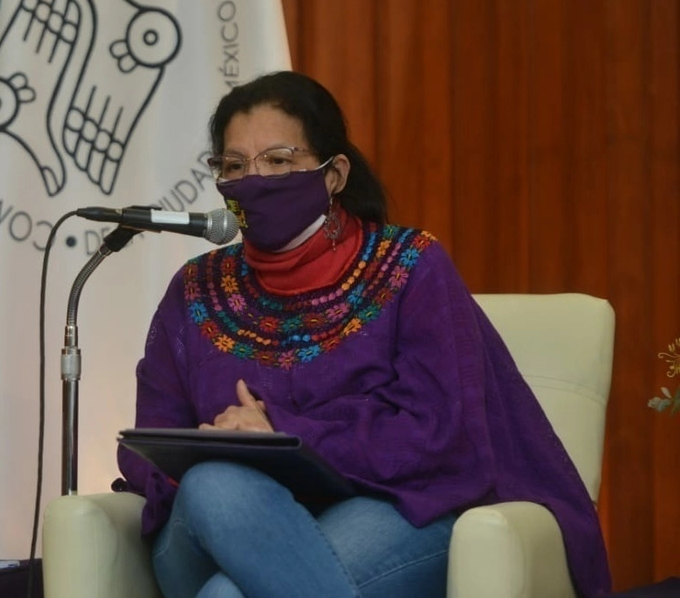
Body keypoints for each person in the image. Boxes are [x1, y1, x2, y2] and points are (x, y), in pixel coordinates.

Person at [115, 71, 610, 598]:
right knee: (215, 485)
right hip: (208, 524)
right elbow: (152, 441)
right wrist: (212, 449)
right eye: (235, 166)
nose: (254, 180)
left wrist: (281, 433)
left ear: (334, 175)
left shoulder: (411, 266)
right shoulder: (196, 288)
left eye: (279, 160)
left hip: (392, 504)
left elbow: (440, 432)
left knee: (225, 596)